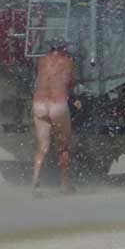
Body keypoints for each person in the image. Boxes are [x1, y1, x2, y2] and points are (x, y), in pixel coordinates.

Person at [31, 39, 81, 196]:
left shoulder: (41, 61)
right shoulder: (68, 61)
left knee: (43, 146)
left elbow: (38, 76)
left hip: (39, 104)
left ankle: (35, 179)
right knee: (63, 147)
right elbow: (72, 82)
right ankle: (65, 185)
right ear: (64, 49)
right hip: (58, 105)